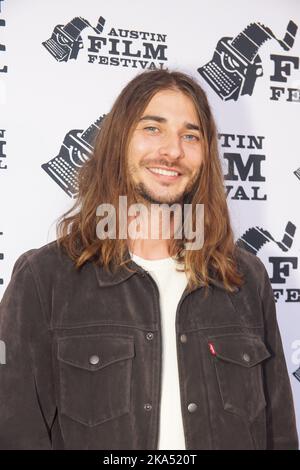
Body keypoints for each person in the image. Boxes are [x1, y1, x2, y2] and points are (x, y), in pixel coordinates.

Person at [0, 69, 298, 450]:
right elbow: (15, 433)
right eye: (153, 129)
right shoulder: (45, 279)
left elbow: (280, 434)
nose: (173, 150)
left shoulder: (245, 279)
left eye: (190, 136)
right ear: (118, 142)